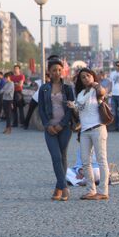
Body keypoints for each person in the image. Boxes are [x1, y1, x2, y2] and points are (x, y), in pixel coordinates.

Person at [38, 56, 74, 201]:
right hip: (50, 128)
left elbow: (71, 109)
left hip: (65, 127)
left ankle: (58, 188)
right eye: (54, 70)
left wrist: (61, 125)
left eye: (60, 70)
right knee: (56, 156)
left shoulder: (68, 88)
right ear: (49, 72)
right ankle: (64, 187)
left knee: (63, 156)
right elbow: (40, 109)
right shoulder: (44, 88)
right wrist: (48, 125)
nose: (57, 72)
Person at [72, 68, 109, 200]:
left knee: (101, 160)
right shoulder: (81, 94)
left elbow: (103, 92)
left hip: (98, 128)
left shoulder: (96, 90)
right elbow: (78, 113)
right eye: (83, 77)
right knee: (85, 161)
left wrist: (97, 85)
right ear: (80, 80)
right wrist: (73, 107)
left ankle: (103, 191)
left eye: (88, 75)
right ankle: (91, 190)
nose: (86, 78)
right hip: (84, 131)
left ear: (93, 76)